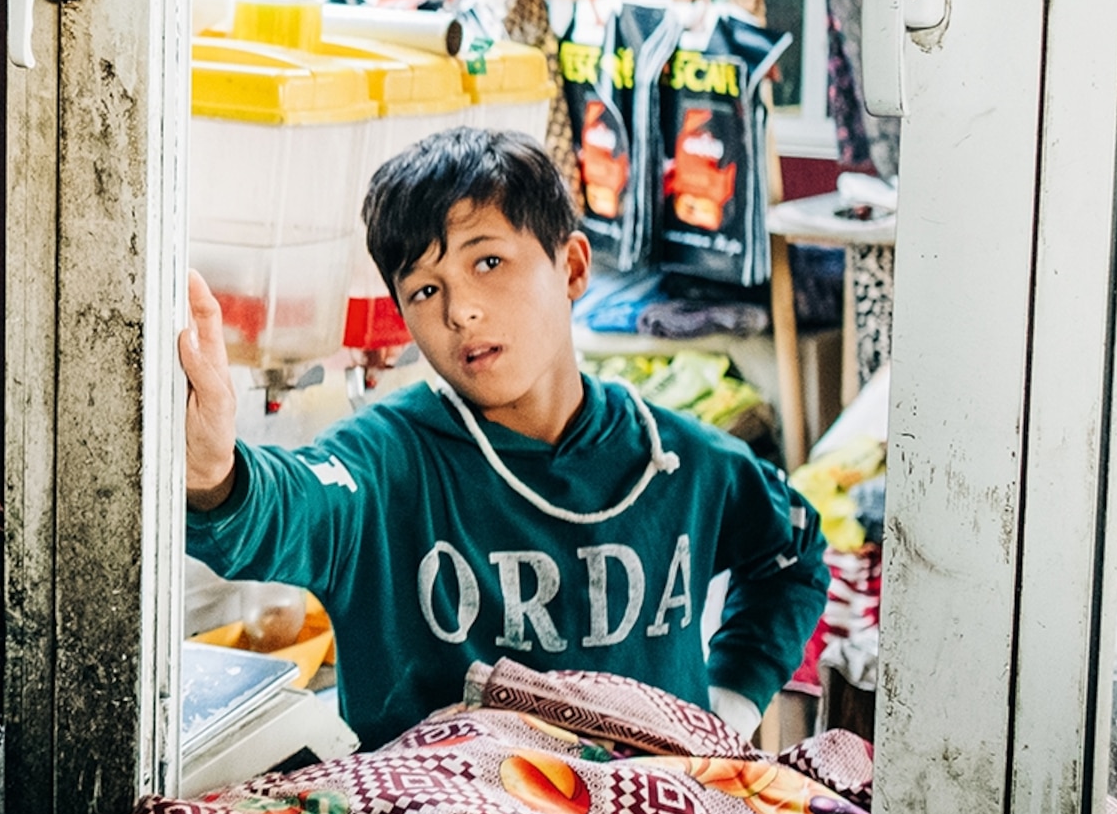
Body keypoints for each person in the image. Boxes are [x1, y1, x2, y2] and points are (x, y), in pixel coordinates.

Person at [180, 127, 827, 750]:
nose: (460, 311)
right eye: (425, 289)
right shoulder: (387, 466)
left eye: (488, 261)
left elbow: (793, 552)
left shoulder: (681, 462)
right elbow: (283, 506)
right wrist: (214, 473)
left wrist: (730, 706)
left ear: (571, 267)